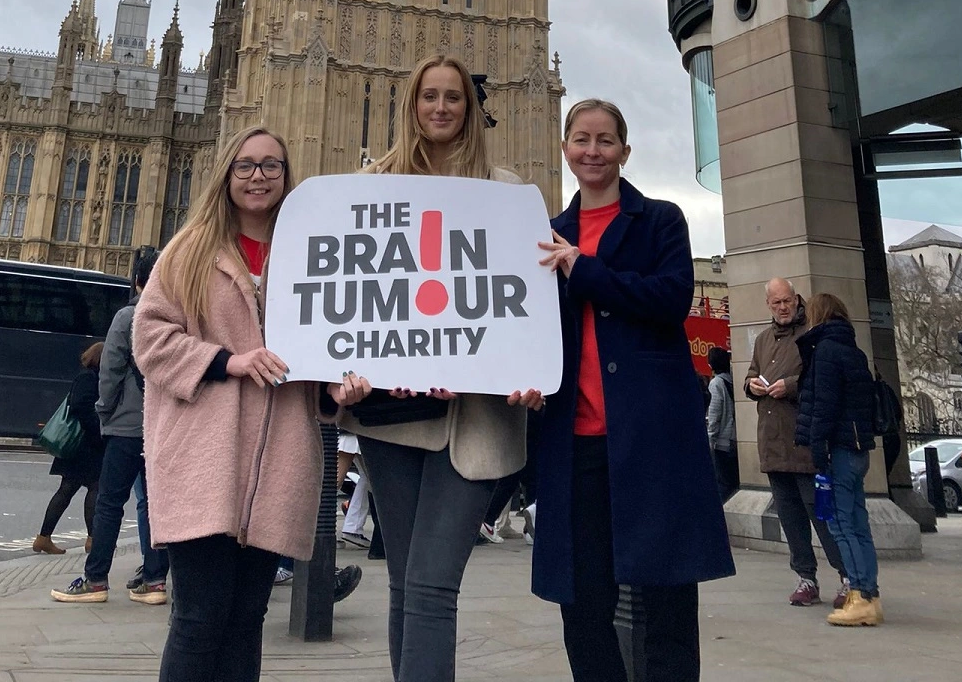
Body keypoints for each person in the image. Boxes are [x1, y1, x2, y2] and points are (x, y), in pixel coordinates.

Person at [133, 126, 371, 682]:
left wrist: (337, 393)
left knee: (247, 619)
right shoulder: (191, 249)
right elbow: (150, 339)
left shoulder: (314, 255)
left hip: (280, 465)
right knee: (198, 618)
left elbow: (323, 360)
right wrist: (226, 361)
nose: (258, 176)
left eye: (270, 165)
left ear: (287, 177)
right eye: (245, 166)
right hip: (202, 464)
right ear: (227, 175)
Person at [340, 53, 532, 682]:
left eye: (453, 97)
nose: (442, 108)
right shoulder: (374, 187)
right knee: (404, 583)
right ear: (412, 106)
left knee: (428, 586)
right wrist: (350, 370)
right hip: (393, 422)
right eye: (430, 97)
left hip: (476, 424)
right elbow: (354, 300)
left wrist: (530, 369)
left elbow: (520, 307)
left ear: (470, 108)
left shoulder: (506, 193)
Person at [531, 98, 734, 682]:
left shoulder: (661, 221)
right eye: (580, 139)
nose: (592, 150)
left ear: (624, 150)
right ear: (565, 149)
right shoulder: (547, 233)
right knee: (583, 603)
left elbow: (670, 300)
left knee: (667, 595)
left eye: (604, 140)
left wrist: (584, 269)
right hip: (577, 439)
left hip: (651, 435)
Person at [51, 250, 169, 604]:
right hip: (163, 428)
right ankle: (155, 580)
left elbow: (111, 371)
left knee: (109, 503)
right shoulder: (178, 317)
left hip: (128, 427)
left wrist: (106, 412)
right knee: (155, 504)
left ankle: (96, 579)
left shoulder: (128, 316)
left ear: (137, 281)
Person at [744, 278, 848, 608]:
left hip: (804, 440)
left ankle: (847, 575)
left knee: (821, 512)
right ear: (769, 305)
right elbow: (749, 375)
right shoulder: (762, 340)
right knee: (789, 516)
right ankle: (805, 576)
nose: (783, 307)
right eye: (776, 303)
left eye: (787, 301)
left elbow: (821, 379)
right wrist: (752, 386)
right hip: (773, 441)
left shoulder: (811, 334)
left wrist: (789, 385)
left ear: (796, 299)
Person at [795, 292, 881, 627]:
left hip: (838, 449)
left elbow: (824, 405)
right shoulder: (854, 350)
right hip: (857, 447)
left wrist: (818, 449)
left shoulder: (826, 351)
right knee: (858, 523)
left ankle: (859, 594)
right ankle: (870, 593)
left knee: (840, 524)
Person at [34, 341, 106, 554]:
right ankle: (92, 539)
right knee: (95, 487)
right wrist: (98, 431)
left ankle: (43, 537)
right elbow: (81, 407)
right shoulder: (89, 378)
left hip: (77, 446)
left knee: (67, 489)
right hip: (85, 445)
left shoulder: (87, 377)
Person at [706, 346, 738, 503]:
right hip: (734, 440)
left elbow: (714, 415)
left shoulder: (716, 383)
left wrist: (710, 439)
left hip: (722, 443)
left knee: (723, 483)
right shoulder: (732, 381)